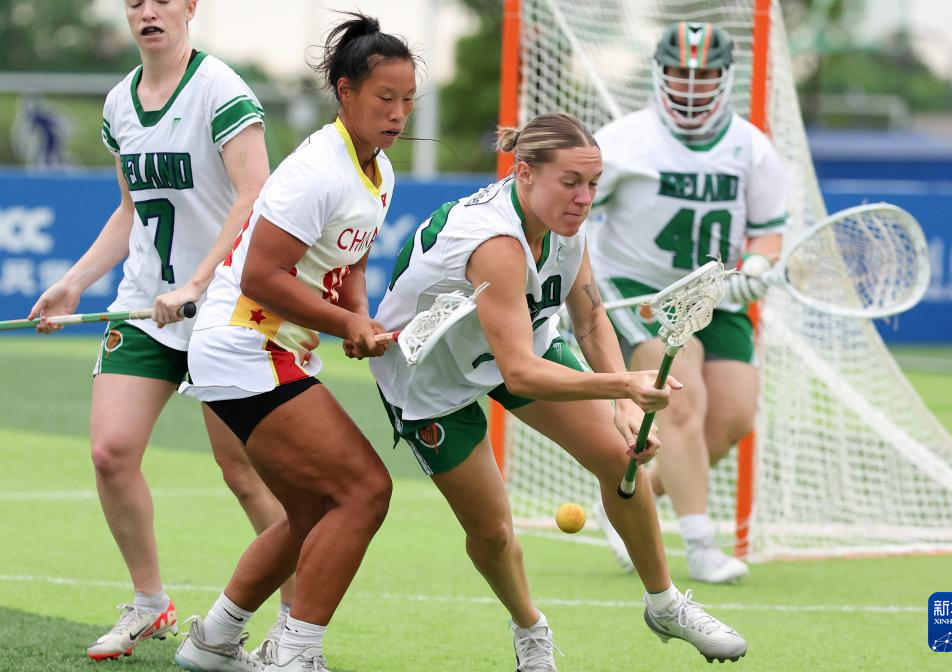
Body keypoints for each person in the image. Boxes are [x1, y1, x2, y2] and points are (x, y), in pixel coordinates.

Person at [370, 112, 748, 670]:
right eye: (571, 182)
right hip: (430, 378)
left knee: (620, 457)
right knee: (492, 532)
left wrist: (623, 404)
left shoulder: (565, 225)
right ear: (524, 173)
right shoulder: (495, 243)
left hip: (519, 340)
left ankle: (665, 605)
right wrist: (624, 381)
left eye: (593, 183)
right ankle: (530, 628)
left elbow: (590, 320)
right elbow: (520, 374)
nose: (584, 198)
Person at [27, 0, 294, 661]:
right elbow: (130, 210)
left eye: (162, 0)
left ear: (189, 8)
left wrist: (199, 284)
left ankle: (295, 625)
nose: (148, 11)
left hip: (223, 308)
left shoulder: (222, 91)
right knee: (110, 452)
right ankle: (150, 605)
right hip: (146, 306)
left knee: (244, 474)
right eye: (135, 2)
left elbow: (255, 197)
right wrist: (74, 282)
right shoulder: (119, 102)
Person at [173, 14, 416, 672]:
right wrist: (345, 326)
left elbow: (351, 260)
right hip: (245, 342)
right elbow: (260, 275)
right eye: (384, 98)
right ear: (345, 92)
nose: (398, 113)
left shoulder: (380, 171)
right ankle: (295, 653)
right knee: (365, 491)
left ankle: (214, 641)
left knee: (311, 508)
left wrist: (358, 316)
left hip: (269, 347)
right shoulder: (317, 169)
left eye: (407, 99)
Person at [590, 21, 789, 584]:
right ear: (660, 73)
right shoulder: (623, 140)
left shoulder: (751, 147)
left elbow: (767, 232)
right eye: (681, 71)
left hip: (716, 293)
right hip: (643, 290)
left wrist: (757, 268)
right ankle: (700, 545)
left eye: (705, 73)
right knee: (680, 404)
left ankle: (624, 495)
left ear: (726, 77)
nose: (693, 84)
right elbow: (573, 203)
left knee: (731, 418)